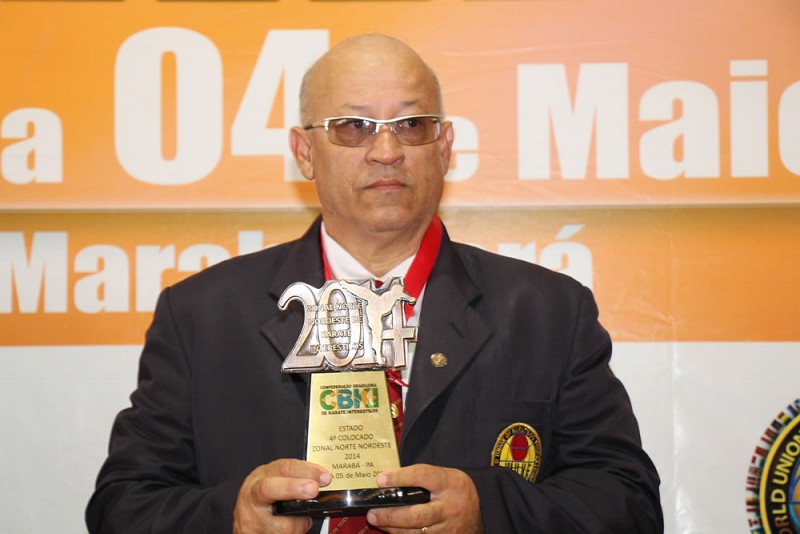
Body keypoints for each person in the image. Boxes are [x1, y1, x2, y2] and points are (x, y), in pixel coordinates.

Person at [86, 34, 663, 533]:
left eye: (411, 125)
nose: (386, 152)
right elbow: (121, 506)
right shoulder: (202, 315)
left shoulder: (547, 312)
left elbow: (628, 504)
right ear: (304, 152)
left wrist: (489, 510)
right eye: (353, 127)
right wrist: (229, 516)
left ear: (444, 147)